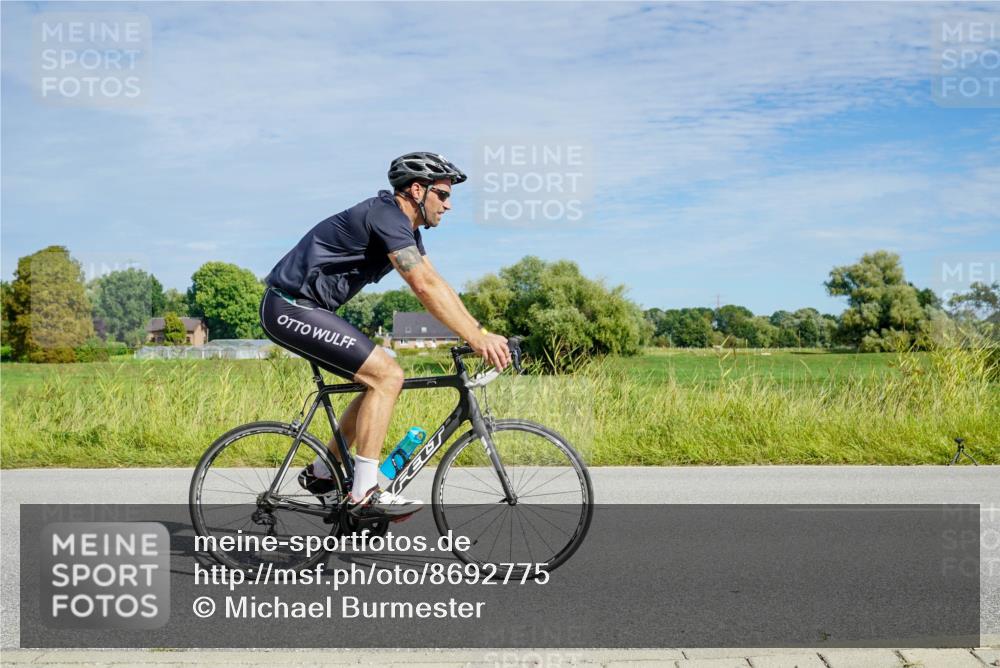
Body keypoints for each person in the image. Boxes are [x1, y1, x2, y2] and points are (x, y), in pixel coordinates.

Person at [260, 152, 512, 521]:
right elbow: (422, 286)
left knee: (378, 379)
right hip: (289, 307)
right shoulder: (387, 216)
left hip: (309, 309)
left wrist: (481, 332)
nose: (448, 205)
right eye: (443, 195)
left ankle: (322, 472)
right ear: (417, 190)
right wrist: (475, 338)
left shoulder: (405, 228)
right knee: (388, 375)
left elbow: (437, 282)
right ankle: (364, 492)